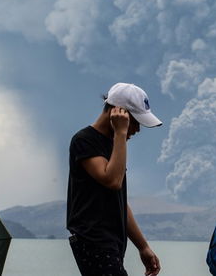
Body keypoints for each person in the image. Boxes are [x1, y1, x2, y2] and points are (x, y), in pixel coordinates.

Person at [67, 83, 162, 276]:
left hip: (110, 244)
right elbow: (112, 181)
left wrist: (143, 247)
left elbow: (118, 201)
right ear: (119, 114)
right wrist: (120, 132)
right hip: (93, 240)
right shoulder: (84, 140)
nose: (136, 130)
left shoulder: (113, 146)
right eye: (135, 122)